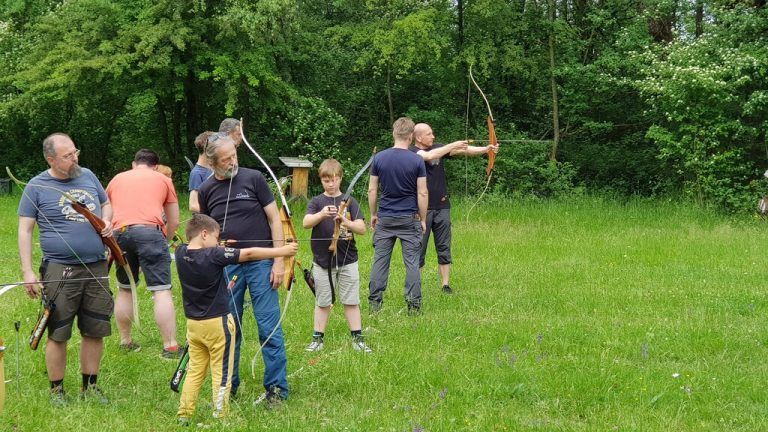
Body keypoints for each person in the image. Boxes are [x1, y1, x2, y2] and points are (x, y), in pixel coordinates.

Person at [16, 133, 113, 406]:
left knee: (95, 328)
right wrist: (27, 272)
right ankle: (57, 391)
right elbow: (25, 230)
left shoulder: (89, 176)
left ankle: (90, 387)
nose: (75, 158)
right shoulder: (36, 186)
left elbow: (105, 202)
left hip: (96, 266)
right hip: (60, 270)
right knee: (58, 331)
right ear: (51, 159)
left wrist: (107, 220)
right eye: (68, 156)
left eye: (75, 152)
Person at [175, 213, 297, 423]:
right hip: (218, 325)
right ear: (204, 234)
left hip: (194, 325)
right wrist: (283, 251)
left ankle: (184, 415)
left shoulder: (180, 252)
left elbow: (204, 248)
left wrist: (219, 246)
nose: (217, 241)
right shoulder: (215, 255)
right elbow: (249, 253)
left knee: (195, 370)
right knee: (222, 373)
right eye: (215, 237)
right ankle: (221, 415)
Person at [197, 134, 289, 403]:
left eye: (234, 155)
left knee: (268, 326)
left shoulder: (253, 178)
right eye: (226, 159)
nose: (233, 161)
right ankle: (228, 386)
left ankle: (276, 389)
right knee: (229, 329)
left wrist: (279, 261)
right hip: (227, 267)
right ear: (213, 162)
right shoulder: (206, 190)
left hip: (262, 264)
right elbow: (206, 233)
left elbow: (275, 218)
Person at [106, 149, 181, 358]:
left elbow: (107, 214)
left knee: (125, 287)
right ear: (155, 166)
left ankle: (125, 341)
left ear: (134, 164)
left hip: (119, 234)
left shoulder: (117, 179)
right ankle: (170, 346)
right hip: (150, 231)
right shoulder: (162, 179)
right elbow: (174, 220)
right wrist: (164, 240)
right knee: (161, 290)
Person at [410, 123, 497, 294]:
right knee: (418, 247)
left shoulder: (439, 148)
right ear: (419, 137)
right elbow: (429, 156)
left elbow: (464, 150)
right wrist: (453, 144)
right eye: (429, 134)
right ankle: (416, 285)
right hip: (421, 210)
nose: (433, 136)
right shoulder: (412, 152)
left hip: (442, 206)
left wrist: (487, 149)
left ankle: (445, 284)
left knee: (444, 246)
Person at [302, 159, 372, 353]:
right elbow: (306, 223)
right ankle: (317, 339)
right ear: (321, 181)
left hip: (348, 260)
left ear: (340, 179)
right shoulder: (317, 202)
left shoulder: (350, 201)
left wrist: (345, 222)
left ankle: (358, 339)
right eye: (326, 180)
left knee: (351, 300)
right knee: (323, 301)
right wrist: (322, 214)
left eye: (334, 180)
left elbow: (362, 228)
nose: (331, 184)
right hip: (323, 261)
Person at [368, 117, 428, 314]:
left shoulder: (379, 158)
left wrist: (373, 213)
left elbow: (372, 190)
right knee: (412, 262)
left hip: (385, 217)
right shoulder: (417, 160)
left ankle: (375, 304)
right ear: (411, 136)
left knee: (380, 260)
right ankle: (413, 306)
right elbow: (422, 193)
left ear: (394, 133)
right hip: (409, 218)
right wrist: (423, 218)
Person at [188, 131, 215, 213]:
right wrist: (216, 211)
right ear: (207, 149)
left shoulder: (214, 169)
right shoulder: (197, 173)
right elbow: (193, 206)